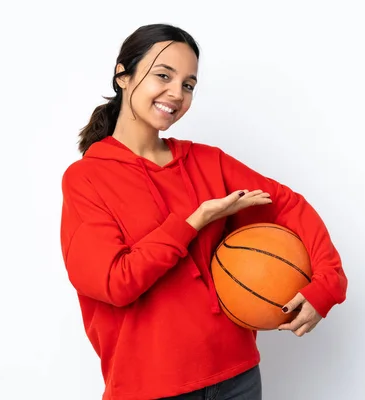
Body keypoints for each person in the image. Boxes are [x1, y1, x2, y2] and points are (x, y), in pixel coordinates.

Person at [60, 23, 348, 400]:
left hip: (238, 377)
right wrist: (194, 221)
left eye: (188, 84)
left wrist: (327, 284)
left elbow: (287, 205)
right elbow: (115, 283)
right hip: (152, 388)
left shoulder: (208, 162)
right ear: (123, 75)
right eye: (163, 75)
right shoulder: (86, 178)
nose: (176, 94)